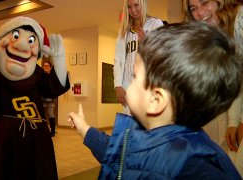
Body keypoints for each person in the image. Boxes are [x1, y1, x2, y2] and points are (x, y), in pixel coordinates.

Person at [68, 22, 241, 179]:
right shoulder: (155, 135)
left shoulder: (198, 168)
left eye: (134, 77)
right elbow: (119, 155)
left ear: (156, 100)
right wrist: (84, 128)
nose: (129, 84)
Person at [0, 16, 70, 179]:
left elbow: (55, 86)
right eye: (15, 36)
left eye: (30, 40)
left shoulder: (37, 74)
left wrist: (59, 60)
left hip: (35, 149)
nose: (21, 45)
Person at [183, 0, 243, 176]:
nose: (200, 13)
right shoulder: (220, 36)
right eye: (194, 9)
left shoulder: (240, 19)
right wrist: (233, 122)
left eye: (205, 2)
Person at [114, 0, 163, 114]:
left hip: (148, 84)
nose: (133, 10)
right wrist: (118, 85)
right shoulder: (124, 31)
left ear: (143, 4)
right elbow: (119, 59)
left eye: (136, 5)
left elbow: (160, 56)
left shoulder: (155, 24)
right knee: (130, 125)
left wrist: (146, 43)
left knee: (147, 123)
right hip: (127, 85)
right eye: (129, 7)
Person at [42, 60, 57, 137]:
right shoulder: (40, 77)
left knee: (50, 114)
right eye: (44, 66)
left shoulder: (53, 77)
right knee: (42, 115)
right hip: (42, 99)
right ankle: (43, 130)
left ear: (50, 67)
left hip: (50, 99)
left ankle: (53, 130)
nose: (46, 67)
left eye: (47, 66)